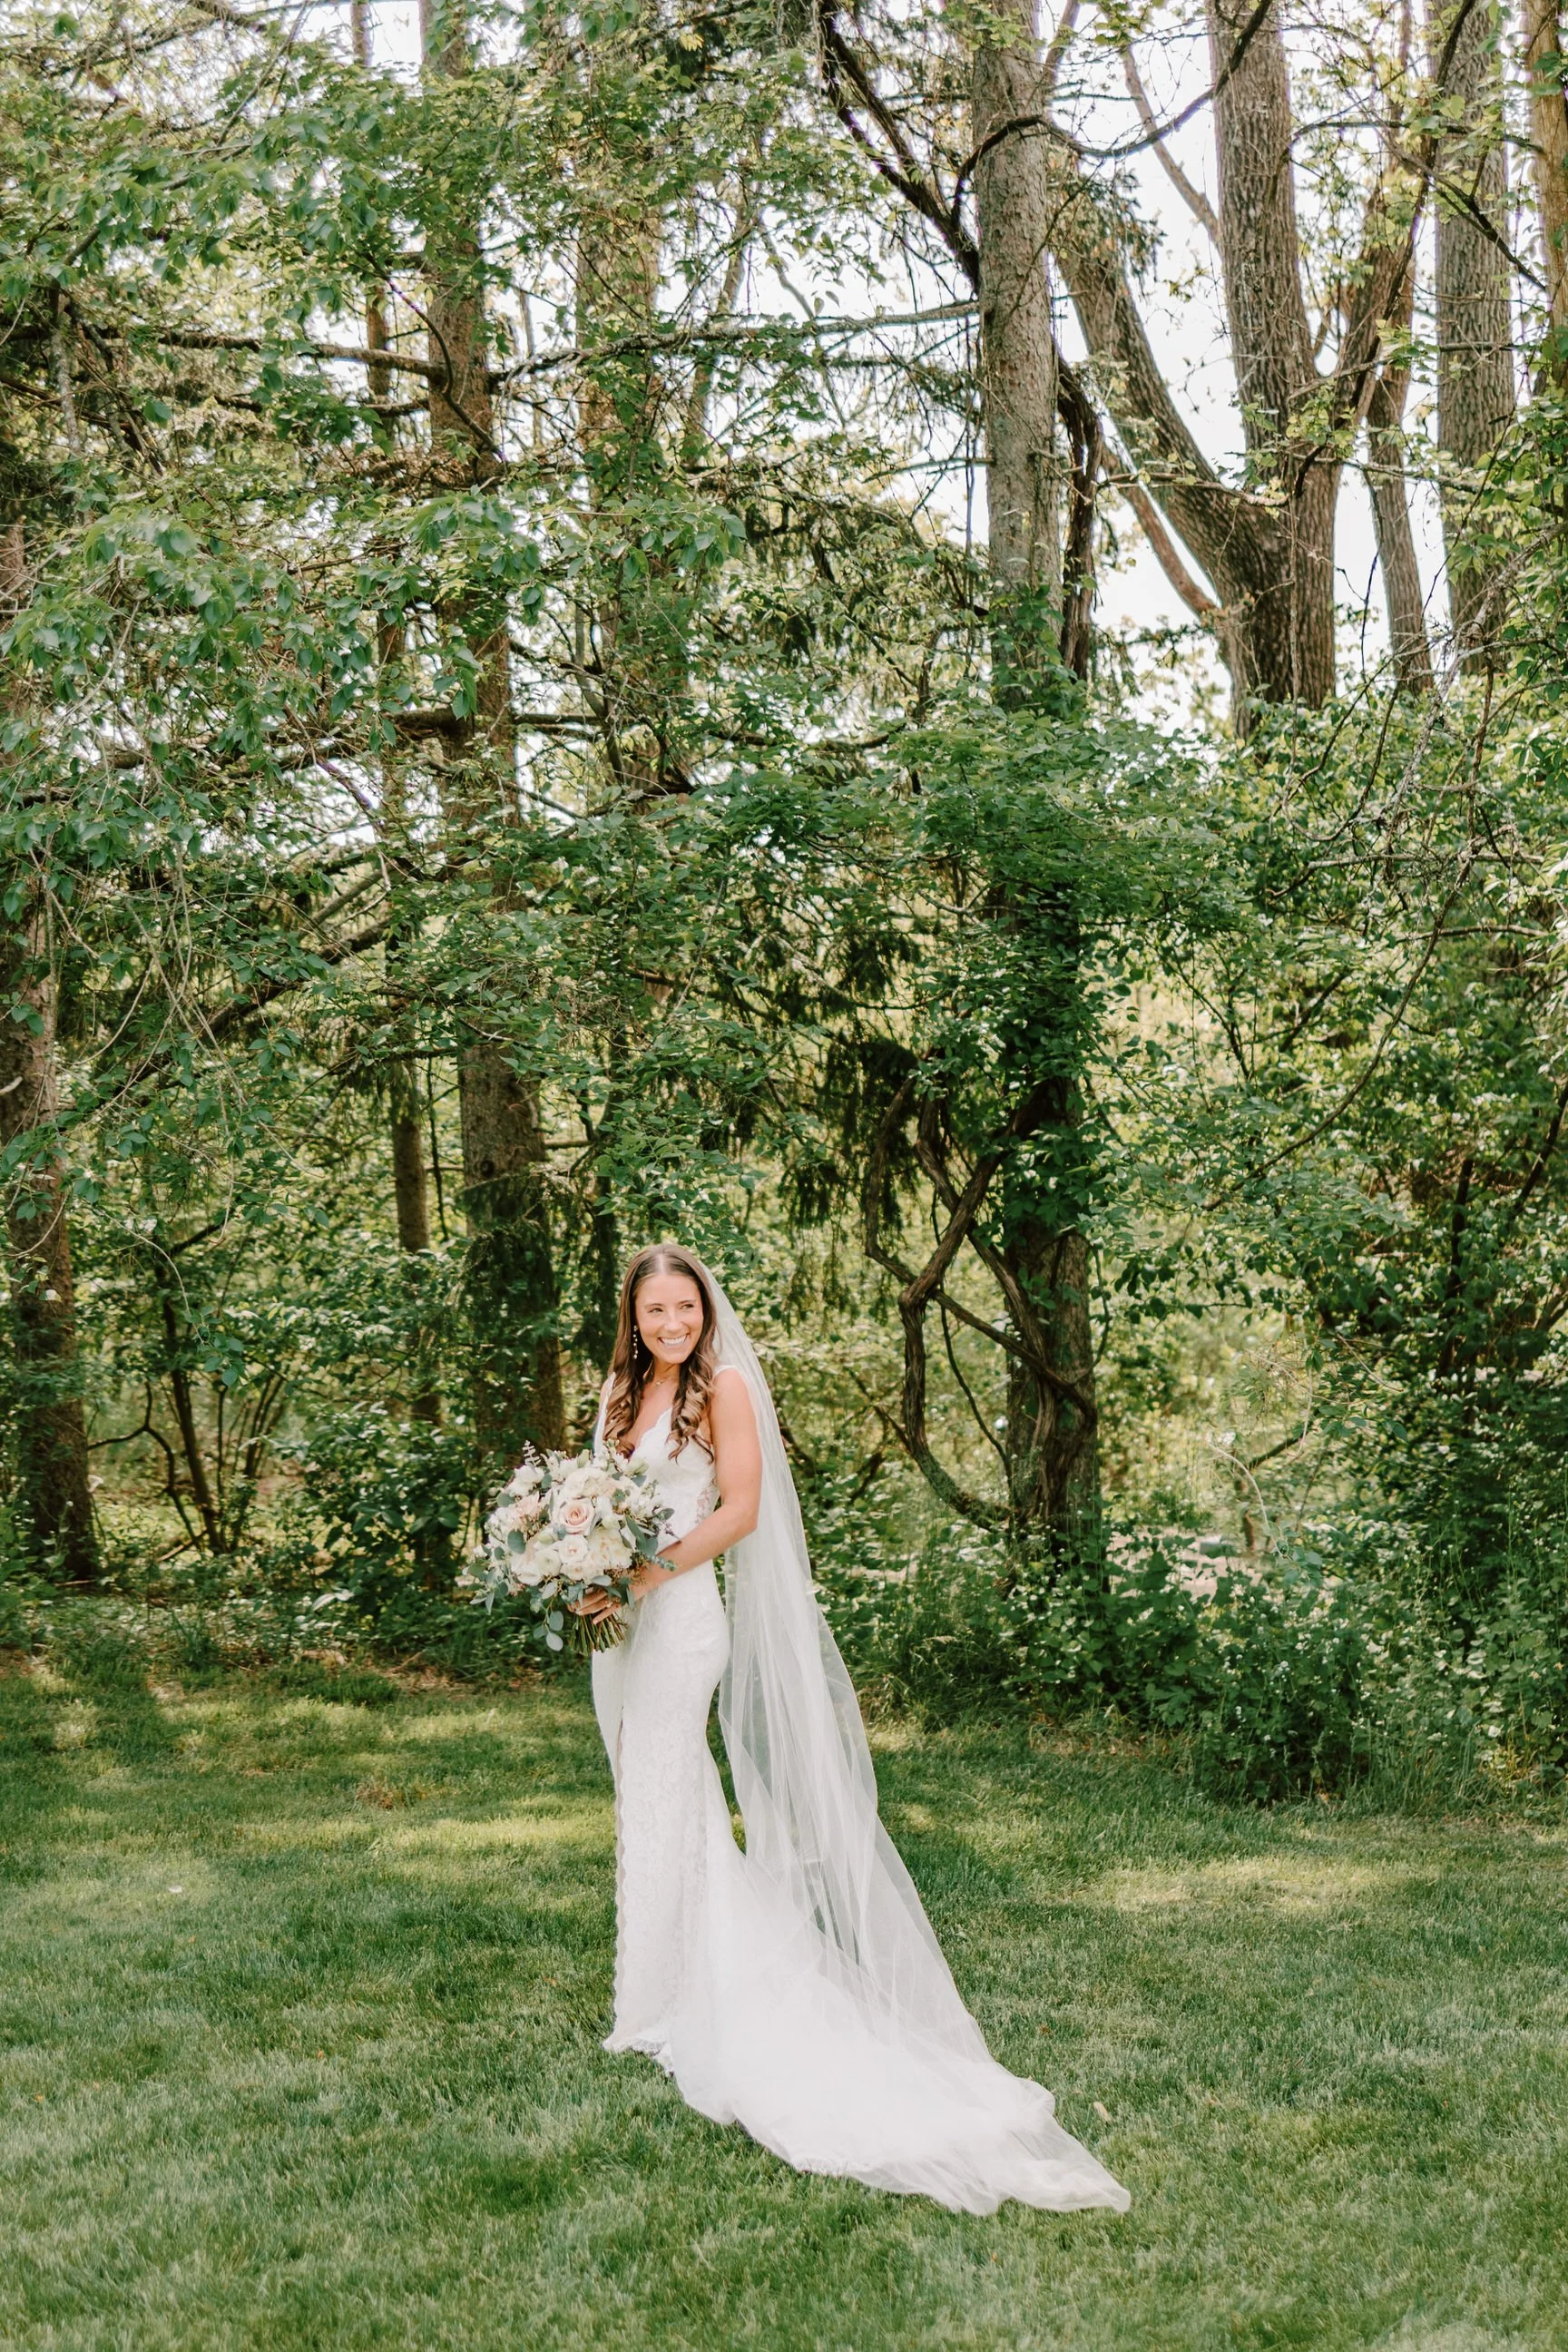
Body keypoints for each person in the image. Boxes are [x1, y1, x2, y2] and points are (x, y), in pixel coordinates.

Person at [580, 1241, 1129, 2217]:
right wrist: (579, 1564)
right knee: (651, 1792)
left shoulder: (729, 1389)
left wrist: (650, 1573)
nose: (672, 1325)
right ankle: (657, 1983)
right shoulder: (620, 1389)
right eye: (654, 1312)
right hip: (619, 1625)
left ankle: (666, 2005)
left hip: (681, 1618)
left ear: (705, 1311)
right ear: (633, 1315)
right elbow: (598, 1503)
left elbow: (741, 1510)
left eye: (685, 1310)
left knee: (669, 1786)